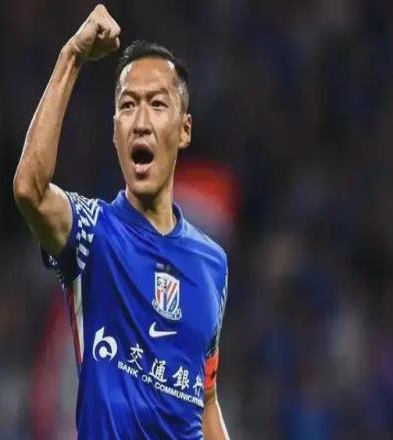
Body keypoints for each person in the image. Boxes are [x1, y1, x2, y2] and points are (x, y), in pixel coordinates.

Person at [13, 4, 230, 439]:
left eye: (157, 104)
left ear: (184, 130)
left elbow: (206, 397)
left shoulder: (213, 263)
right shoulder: (91, 233)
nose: (142, 122)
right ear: (115, 132)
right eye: (128, 106)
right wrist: (72, 56)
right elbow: (30, 190)